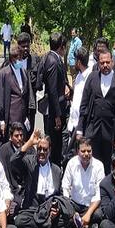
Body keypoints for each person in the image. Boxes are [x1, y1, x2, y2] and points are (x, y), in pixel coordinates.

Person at [76, 49, 115, 174]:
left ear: (112, 62)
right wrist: (80, 128)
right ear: (98, 63)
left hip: (111, 132)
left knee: (108, 167)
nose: (105, 65)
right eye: (102, 63)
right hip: (93, 130)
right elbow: (83, 104)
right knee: (90, 163)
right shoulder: (92, 77)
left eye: (107, 62)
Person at [11, 131, 67, 228]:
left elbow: (60, 195)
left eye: (45, 150)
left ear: (50, 150)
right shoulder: (30, 162)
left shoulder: (56, 170)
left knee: (65, 220)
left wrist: (57, 209)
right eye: (39, 149)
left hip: (48, 211)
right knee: (19, 222)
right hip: (32, 210)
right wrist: (30, 143)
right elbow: (13, 161)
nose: (41, 152)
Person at [61, 137, 104, 228]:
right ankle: (89, 226)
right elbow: (65, 187)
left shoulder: (99, 166)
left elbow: (99, 194)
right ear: (77, 151)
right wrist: (69, 209)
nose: (86, 154)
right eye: (83, 151)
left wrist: (88, 214)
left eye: (89, 151)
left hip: (92, 206)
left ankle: (80, 224)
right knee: (62, 212)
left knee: (100, 214)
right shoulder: (71, 163)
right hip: (75, 204)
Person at [40, 32, 69, 165]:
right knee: (54, 144)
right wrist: (57, 115)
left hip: (58, 107)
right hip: (53, 111)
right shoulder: (52, 60)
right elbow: (52, 90)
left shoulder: (53, 58)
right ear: (61, 47)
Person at [0, 45, 33, 140]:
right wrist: (2, 120)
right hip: (10, 118)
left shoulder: (23, 71)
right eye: (17, 58)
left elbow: (25, 95)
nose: (19, 60)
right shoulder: (4, 73)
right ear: (12, 58)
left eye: (20, 57)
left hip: (22, 118)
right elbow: (1, 98)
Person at [65, 47, 90, 161]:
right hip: (73, 122)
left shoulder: (90, 78)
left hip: (81, 126)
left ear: (79, 62)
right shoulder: (79, 76)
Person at [0, 121, 27, 204]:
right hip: (11, 189)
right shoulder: (3, 150)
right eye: (16, 136)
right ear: (10, 137)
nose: (19, 138)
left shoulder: (29, 149)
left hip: (25, 189)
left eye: (21, 135)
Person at [16, 32, 42, 132]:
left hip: (30, 104)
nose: (26, 49)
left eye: (27, 46)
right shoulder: (13, 61)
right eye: (23, 46)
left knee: (29, 131)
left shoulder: (35, 61)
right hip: (16, 105)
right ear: (18, 46)